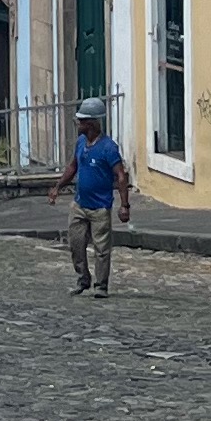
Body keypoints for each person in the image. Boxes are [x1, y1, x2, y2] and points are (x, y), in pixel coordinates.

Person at [58, 108, 132, 294]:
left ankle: (101, 285)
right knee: (76, 244)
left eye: (80, 121)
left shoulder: (108, 148)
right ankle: (83, 278)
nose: (78, 125)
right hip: (79, 204)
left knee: (102, 249)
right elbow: (72, 167)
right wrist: (57, 186)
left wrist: (124, 205)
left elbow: (121, 176)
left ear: (90, 124)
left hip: (100, 207)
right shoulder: (81, 143)